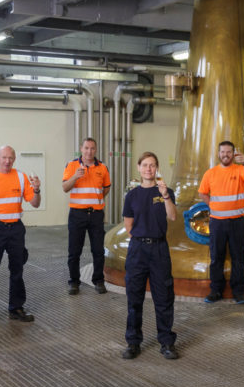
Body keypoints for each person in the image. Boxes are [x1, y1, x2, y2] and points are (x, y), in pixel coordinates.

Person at [0, 145, 41, 329]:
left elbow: (34, 204)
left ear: (14, 159)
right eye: (4, 157)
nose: (7, 161)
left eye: (10, 158)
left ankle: (16, 308)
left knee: (17, 271)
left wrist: (36, 190)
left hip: (16, 230)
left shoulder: (21, 177)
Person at [121, 152, 179, 360]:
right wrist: (140, 238)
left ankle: (166, 342)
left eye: (152, 165)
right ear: (138, 168)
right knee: (134, 298)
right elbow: (129, 224)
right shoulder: (133, 196)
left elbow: (172, 216)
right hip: (137, 250)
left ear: (157, 168)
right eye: (145, 165)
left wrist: (165, 196)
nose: (148, 169)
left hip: (159, 250)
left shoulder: (165, 191)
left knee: (163, 298)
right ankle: (133, 342)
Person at [198, 140, 244, 304]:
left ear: (233, 153)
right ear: (218, 153)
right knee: (216, 257)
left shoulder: (240, 169)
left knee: (238, 257)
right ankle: (216, 291)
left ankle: (238, 292)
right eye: (223, 152)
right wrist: (214, 206)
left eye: (229, 152)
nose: (225, 155)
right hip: (217, 222)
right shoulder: (210, 173)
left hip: (237, 222)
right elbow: (202, 193)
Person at [61, 137, 111, 295]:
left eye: (92, 148)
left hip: (96, 214)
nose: (89, 151)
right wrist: (75, 176)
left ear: (96, 150)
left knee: (98, 250)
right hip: (77, 214)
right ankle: (74, 282)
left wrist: (96, 201)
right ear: (81, 149)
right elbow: (65, 188)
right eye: (86, 148)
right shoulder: (71, 165)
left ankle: (98, 280)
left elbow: (106, 188)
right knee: (74, 250)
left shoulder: (102, 167)